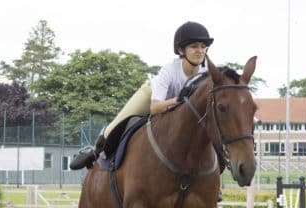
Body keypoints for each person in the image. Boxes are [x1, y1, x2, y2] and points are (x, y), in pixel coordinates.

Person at [70, 21, 215, 171]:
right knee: (113, 128)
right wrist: (179, 100)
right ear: (180, 50)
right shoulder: (169, 70)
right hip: (151, 98)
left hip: (180, 109)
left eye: (203, 46)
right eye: (194, 46)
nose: (200, 51)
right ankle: (94, 152)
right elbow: (155, 107)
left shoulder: (207, 72)